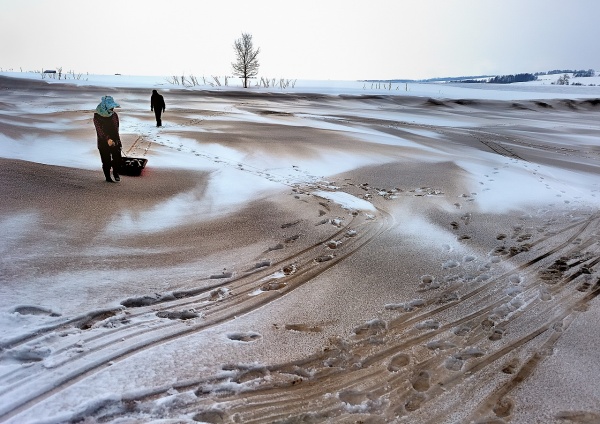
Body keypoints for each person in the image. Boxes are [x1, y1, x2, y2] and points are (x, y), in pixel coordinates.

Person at [93, 96, 122, 183]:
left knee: (117, 159)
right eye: (111, 107)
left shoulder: (114, 115)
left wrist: (117, 141)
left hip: (115, 140)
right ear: (105, 106)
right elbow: (100, 131)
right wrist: (108, 139)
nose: (112, 108)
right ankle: (108, 177)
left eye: (113, 107)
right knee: (106, 161)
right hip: (103, 142)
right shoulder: (97, 117)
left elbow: (116, 128)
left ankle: (115, 173)